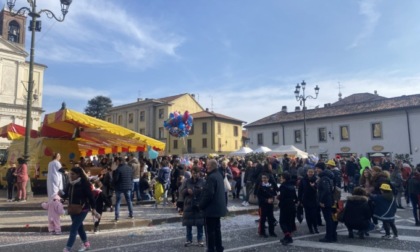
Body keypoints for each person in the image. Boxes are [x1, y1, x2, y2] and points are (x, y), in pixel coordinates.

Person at [63, 167, 98, 252]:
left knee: (74, 228)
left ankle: (68, 248)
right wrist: (61, 196)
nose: (70, 176)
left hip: (83, 208)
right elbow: (66, 194)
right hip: (72, 208)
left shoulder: (84, 184)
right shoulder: (70, 184)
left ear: (78, 174)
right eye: (70, 174)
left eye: (73, 174)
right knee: (79, 227)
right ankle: (86, 244)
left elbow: (90, 197)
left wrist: (94, 208)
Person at [199, 159, 227, 252]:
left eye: (207, 165)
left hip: (211, 209)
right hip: (218, 208)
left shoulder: (211, 177)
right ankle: (218, 247)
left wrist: (201, 205)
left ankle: (211, 249)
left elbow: (209, 194)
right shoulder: (218, 175)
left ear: (211, 166)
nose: (206, 167)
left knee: (210, 231)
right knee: (217, 230)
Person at [182, 166, 206, 247]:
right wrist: (187, 191)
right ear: (191, 173)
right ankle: (189, 240)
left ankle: (200, 240)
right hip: (189, 205)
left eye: (196, 173)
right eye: (193, 173)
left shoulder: (202, 181)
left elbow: (206, 192)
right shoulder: (187, 181)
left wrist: (198, 190)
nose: (195, 174)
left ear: (199, 173)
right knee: (189, 224)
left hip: (198, 204)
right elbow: (182, 191)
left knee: (200, 224)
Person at [315, 162, 336, 243]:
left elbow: (326, 190)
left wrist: (321, 201)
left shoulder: (324, 178)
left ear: (321, 169)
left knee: (328, 219)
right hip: (330, 200)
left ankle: (329, 237)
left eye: (317, 168)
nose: (316, 170)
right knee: (331, 219)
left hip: (326, 201)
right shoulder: (328, 176)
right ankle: (333, 235)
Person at [278, 172, 297, 245]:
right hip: (291, 205)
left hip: (285, 205)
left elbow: (282, 196)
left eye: (281, 177)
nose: (280, 179)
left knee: (282, 222)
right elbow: (295, 196)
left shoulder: (283, 186)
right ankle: (287, 237)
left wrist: (278, 197)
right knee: (289, 222)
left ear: (284, 178)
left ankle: (288, 236)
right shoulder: (292, 185)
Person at [298, 168, 319, 234]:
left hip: (314, 199)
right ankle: (310, 228)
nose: (310, 173)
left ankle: (315, 227)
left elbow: (319, 189)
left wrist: (314, 186)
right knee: (308, 215)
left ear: (313, 173)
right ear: (307, 172)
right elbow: (300, 190)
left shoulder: (316, 179)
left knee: (314, 215)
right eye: (309, 172)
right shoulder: (303, 180)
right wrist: (299, 200)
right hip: (306, 199)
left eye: (312, 172)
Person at [113, 157, 134, 221]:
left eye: (117, 161)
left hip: (119, 187)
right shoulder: (130, 168)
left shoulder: (118, 169)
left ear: (120, 161)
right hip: (128, 187)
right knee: (129, 201)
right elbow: (131, 178)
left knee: (118, 201)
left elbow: (115, 179)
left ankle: (117, 216)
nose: (116, 163)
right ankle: (131, 214)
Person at [256, 174, 277, 238]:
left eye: (265, 178)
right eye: (263, 178)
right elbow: (259, 196)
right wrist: (266, 200)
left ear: (268, 179)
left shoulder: (271, 185)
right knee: (263, 219)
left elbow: (273, 193)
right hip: (263, 205)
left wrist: (272, 199)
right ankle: (262, 232)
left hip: (270, 204)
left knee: (271, 218)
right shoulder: (260, 186)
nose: (264, 179)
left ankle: (272, 231)